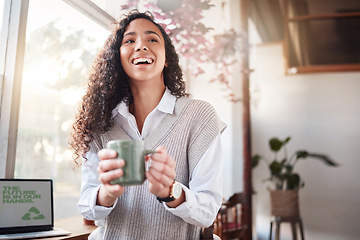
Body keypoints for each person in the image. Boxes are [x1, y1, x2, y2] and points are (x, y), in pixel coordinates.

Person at [70, 10, 226, 239]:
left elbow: (208, 212)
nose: (141, 46)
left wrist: (170, 191)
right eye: (129, 40)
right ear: (118, 57)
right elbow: (87, 206)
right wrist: (108, 191)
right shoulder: (101, 123)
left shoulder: (199, 116)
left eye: (152, 39)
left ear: (168, 58)